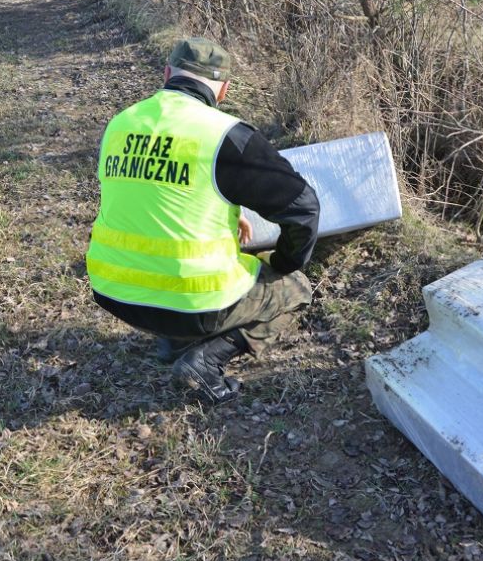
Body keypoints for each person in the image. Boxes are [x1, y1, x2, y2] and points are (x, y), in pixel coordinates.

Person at [85, 37, 319, 403]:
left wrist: (230, 209)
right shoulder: (226, 134)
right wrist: (283, 262)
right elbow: (304, 208)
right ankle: (204, 361)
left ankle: (173, 340)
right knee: (297, 289)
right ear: (223, 89)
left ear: (166, 74)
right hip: (192, 301)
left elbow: (157, 194)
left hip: (113, 293)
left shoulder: (119, 124)